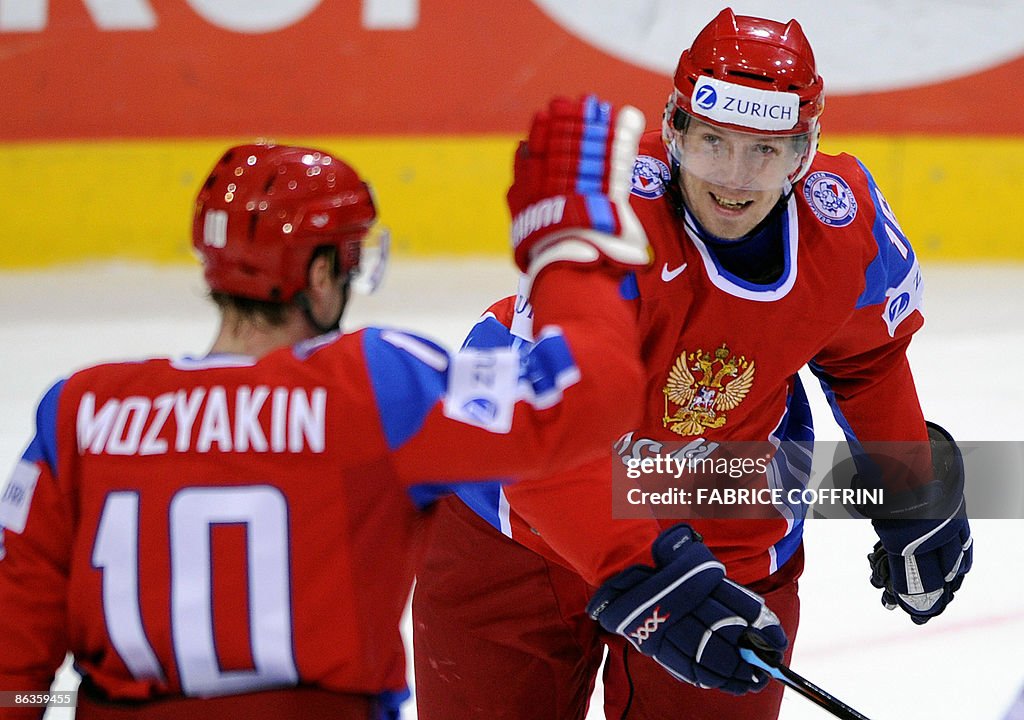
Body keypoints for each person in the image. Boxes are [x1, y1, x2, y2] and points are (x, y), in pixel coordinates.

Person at [0, 99, 675, 720]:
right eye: (349, 261)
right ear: (320, 274)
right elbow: (590, 399)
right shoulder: (379, 388)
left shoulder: (80, 410)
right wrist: (566, 247)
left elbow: (13, 666)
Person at [412, 8, 974, 720]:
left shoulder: (844, 224)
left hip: (725, 513)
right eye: (713, 142)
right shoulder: (606, 223)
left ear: (805, 149)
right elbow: (537, 445)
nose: (734, 180)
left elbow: (868, 359)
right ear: (674, 128)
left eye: (764, 151)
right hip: (516, 531)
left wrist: (906, 484)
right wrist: (646, 574)